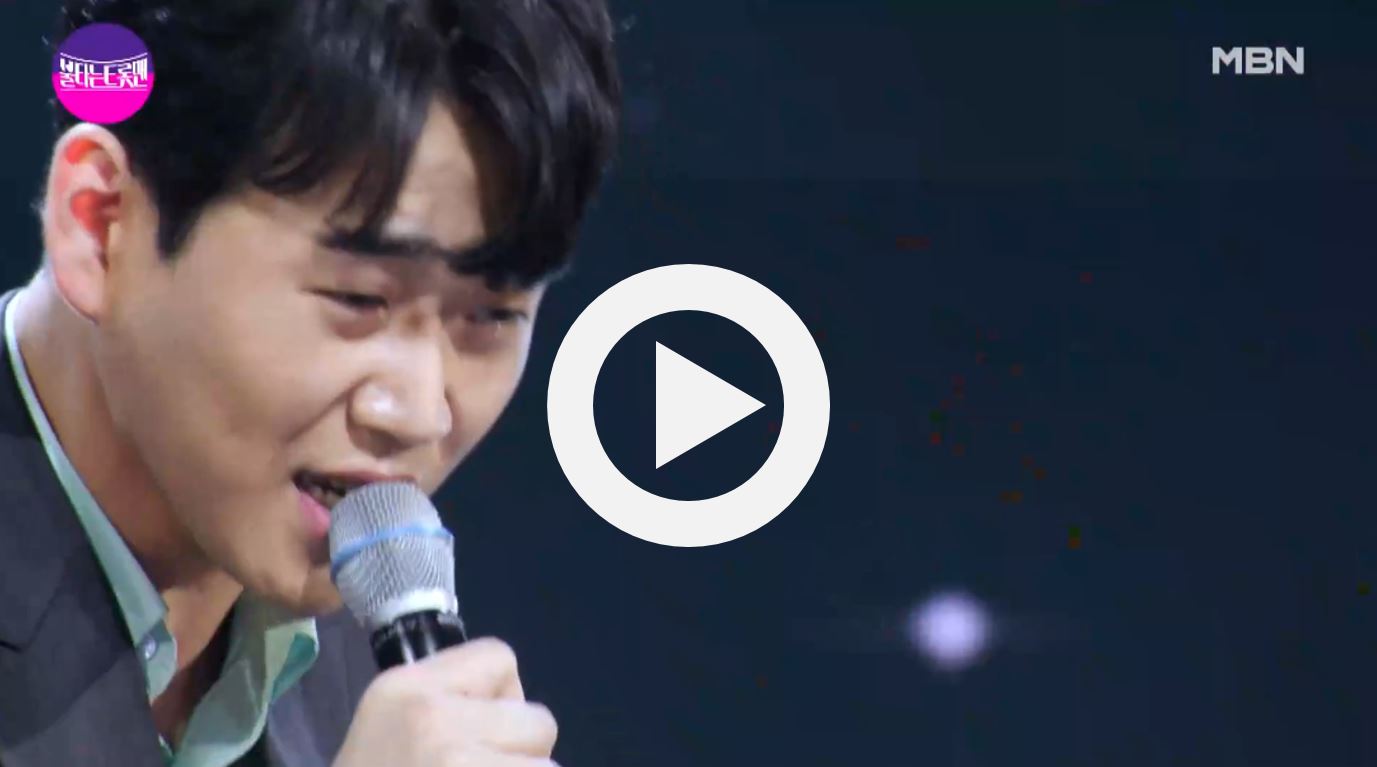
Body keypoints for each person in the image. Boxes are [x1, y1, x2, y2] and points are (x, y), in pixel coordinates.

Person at [0, 1, 620, 765]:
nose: (418, 412)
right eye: (357, 299)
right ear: (100, 225)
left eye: (491, 316)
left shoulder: (373, 664)